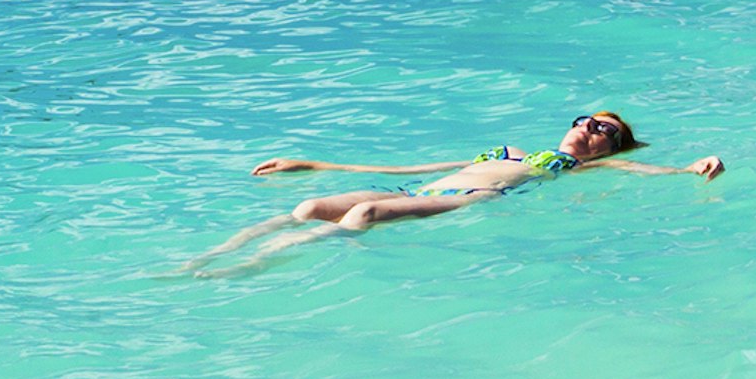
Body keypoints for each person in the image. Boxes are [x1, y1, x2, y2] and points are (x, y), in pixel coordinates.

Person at [186, 110, 721, 271]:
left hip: (470, 201)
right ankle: (211, 257)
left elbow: (645, 173)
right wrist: (315, 163)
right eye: (586, 118)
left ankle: (249, 268)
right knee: (309, 206)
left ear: (611, 148)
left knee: (366, 214)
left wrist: (691, 169)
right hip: (423, 186)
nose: (589, 127)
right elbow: (419, 164)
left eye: (604, 130)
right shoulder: (507, 150)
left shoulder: (576, 169)